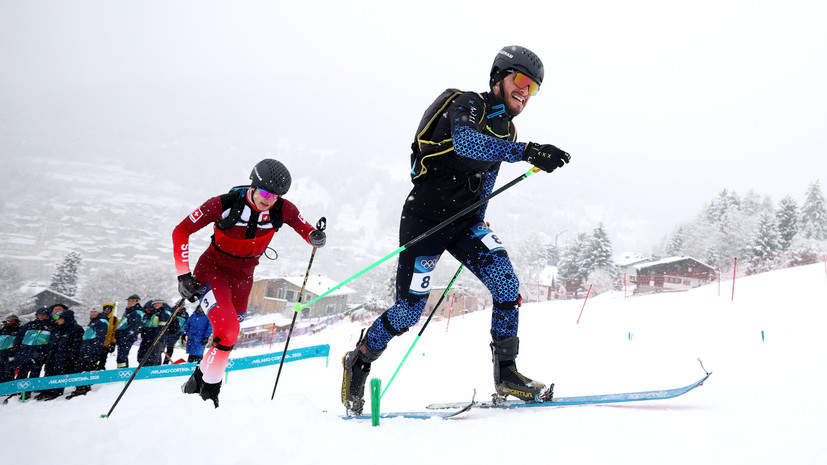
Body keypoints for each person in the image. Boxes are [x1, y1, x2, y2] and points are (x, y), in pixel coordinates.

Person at [341, 45, 572, 415]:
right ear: (498, 78)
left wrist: (480, 216)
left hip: (466, 223)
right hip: (426, 221)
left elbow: (487, 177)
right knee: (408, 312)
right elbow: (466, 143)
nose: (525, 92)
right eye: (521, 80)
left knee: (507, 284)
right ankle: (360, 359)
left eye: (533, 88)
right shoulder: (468, 104)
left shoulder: (506, 129)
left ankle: (507, 374)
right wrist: (527, 151)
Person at [174, 158, 326, 407]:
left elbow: (304, 228)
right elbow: (181, 231)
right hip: (213, 270)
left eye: (276, 196)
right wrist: (183, 275)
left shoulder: (282, 209)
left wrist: (314, 237)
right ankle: (208, 395)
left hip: (244, 276)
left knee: (230, 333)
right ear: (253, 186)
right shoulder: (223, 204)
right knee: (228, 330)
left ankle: (197, 380)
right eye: (265, 192)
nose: (269, 199)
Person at [37, 310, 83, 401]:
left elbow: (76, 345)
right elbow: (51, 342)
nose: (56, 321)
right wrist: (47, 354)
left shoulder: (76, 329)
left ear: (65, 319)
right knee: (48, 372)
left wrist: (70, 357)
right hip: (52, 355)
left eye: (58, 319)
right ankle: (46, 391)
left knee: (59, 374)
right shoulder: (56, 328)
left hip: (64, 357)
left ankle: (56, 393)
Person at [67, 306, 109, 399]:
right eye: (91, 312)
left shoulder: (101, 322)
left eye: (95, 312)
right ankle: (81, 387)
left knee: (85, 368)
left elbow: (99, 338)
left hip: (91, 350)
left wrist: (91, 351)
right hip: (86, 349)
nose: (92, 313)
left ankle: (82, 389)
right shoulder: (93, 322)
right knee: (81, 368)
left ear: (99, 313)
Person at [13, 307, 53, 380]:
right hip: (24, 353)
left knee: (35, 374)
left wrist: (45, 353)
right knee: (21, 373)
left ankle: (31, 390)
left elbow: (51, 342)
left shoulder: (51, 326)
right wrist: (17, 350)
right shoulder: (30, 325)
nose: (41, 316)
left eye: (44, 315)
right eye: (39, 314)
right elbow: (19, 337)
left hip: (38, 355)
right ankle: (19, 390)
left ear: (48, 315)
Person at [115, 294, 144, 368]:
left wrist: (125, 336)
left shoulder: (136, 312)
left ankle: (123, 371)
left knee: (122, 355)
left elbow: (133, 327)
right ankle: (121, 369)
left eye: (130, 301)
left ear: (136, 301)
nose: (128, 302)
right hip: (123, 335)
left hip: (127, 337)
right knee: (121, 355)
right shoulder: (129, 310)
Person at [137, 300, 169, 366]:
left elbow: (160, 328)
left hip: (156, 339)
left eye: (149, 308)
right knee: (142, 355)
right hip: (147, 338)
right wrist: (143, 330)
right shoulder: (146, 316)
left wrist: (158, 338)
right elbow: (149, 327)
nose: (147, 310)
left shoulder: (160, 314)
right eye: (146, 308)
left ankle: (154, 369)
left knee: (154, 357)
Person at [98, 303, 119, 370]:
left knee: (103, 359)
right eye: (105, 309)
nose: (107, 310)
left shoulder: (115, 320)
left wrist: (113, 342)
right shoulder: (98, 317)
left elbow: (115, 332)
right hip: (97, 343)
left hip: (107, 344)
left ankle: (101, 370)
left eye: (108, 309)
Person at [0, 315, 21, 383]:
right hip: (1, 353)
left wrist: (14, 351)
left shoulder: (19, 331)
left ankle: (8, 387)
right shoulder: (2, 330)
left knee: (9, 372)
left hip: (11, 354)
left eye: (12, 321)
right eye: (8, 321)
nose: (10, 322)